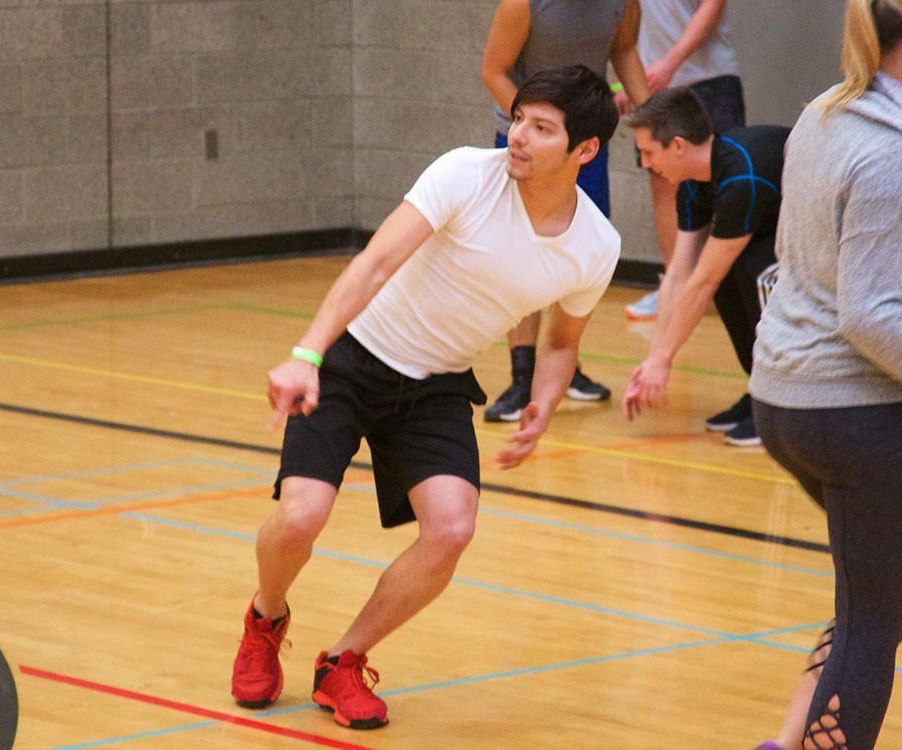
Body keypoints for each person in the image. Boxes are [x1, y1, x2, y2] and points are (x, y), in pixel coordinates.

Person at [231, 64, 622, 730]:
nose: (519, 136)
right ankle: (266, 617)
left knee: (451, 529)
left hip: (437, 383)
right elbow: (375, 263)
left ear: (584, 150)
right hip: (354, 359)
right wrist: (307, 354)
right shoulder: (466, 174)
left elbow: (561, 343)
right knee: (300, 518)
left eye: (542, 128)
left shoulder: (594, 245)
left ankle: (344, 661)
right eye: (519, 118)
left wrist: (544, 404)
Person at [749, 0, 902, 747]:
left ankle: (785, 741)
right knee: (871, 624)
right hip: (854, 410)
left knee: (888, 596)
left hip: (785, 397)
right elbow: (872, 316)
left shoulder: (825, 110)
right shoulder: (893, 153)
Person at [479, 0, 649, 421]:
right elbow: (493, 71)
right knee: (522, 252)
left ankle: (566, 367)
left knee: (578, 247)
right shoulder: (524, 5)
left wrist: (652, 118)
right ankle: (522, 377)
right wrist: (536, 128)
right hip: (530, 147)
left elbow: (624, 52)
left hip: (583, 146)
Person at [620, 87, 789, 446]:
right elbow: (679, 275)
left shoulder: (740, 177)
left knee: (753, 273)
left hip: (824, 234)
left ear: (678, 145)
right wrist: (653, 359)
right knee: (729, 271)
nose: (646, 163)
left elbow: (703, 280)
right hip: (771, 224)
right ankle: (758, 389)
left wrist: (665, 358)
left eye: (648, 152)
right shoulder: (693, 182)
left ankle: (777, 403)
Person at [617, 0, 746, 322]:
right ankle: (674, 289)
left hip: (709, 78)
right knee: (662, 184)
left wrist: (670, 62)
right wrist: (629, 79)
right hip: (653, 84)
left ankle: (738, 285)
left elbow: (712, 6)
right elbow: (628, 23)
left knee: (727, 180)